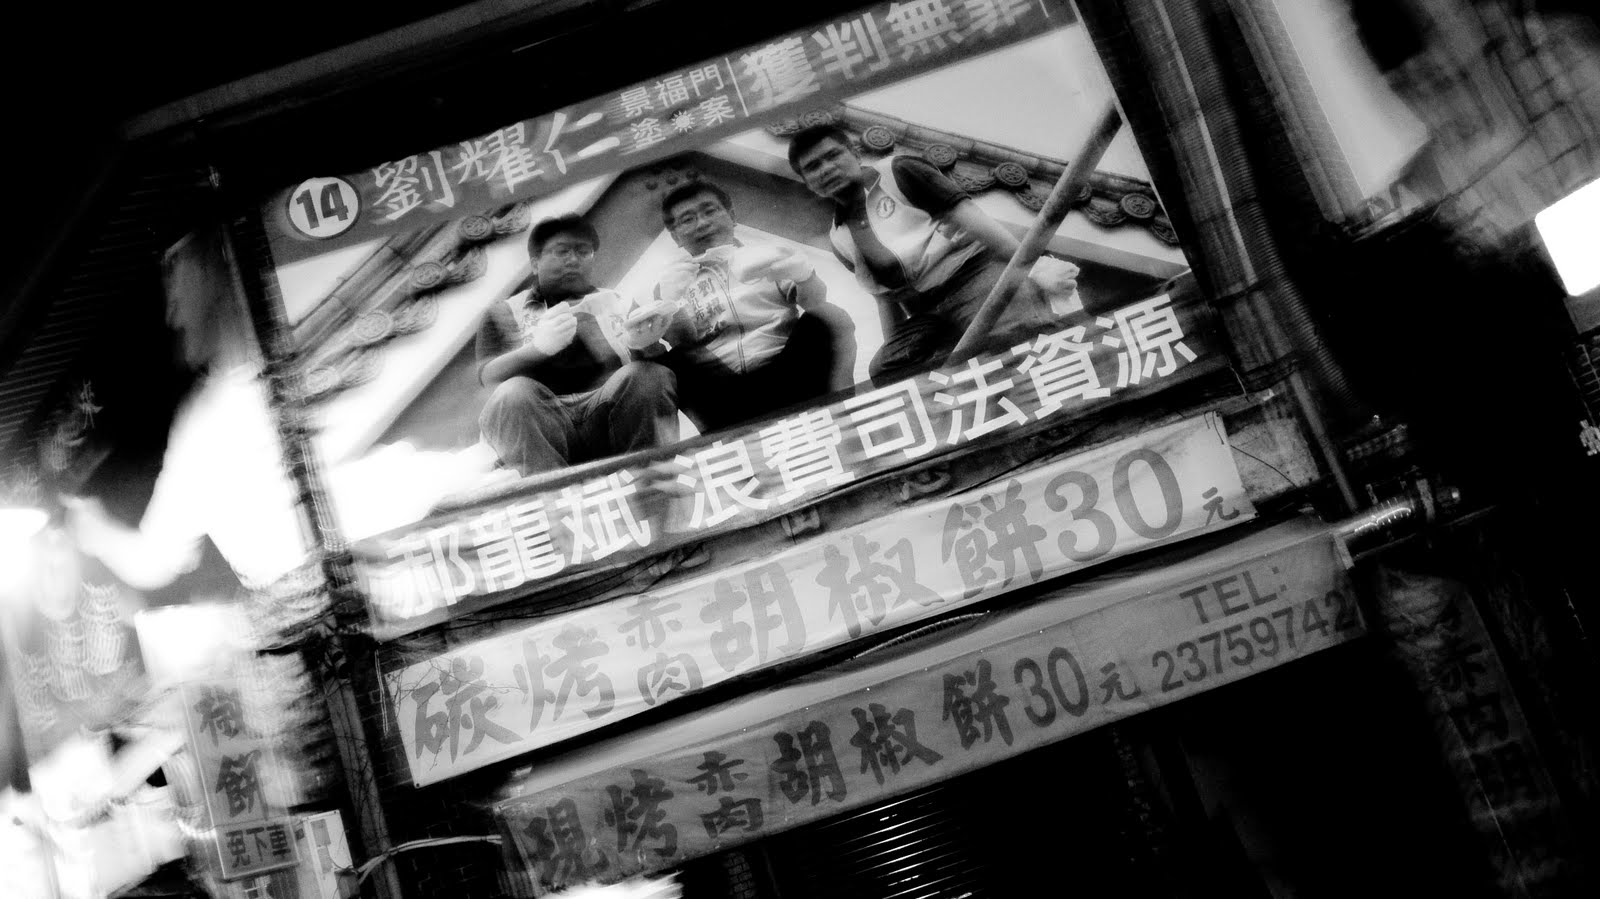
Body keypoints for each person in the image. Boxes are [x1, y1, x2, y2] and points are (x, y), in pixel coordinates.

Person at [788, 124, 1061, 383]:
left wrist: (1032, 266)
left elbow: (972, 218)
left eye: (833, 155)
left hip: (973, 273)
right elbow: (885, 298)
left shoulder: (897, 172)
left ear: (855, 153)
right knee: (887, 370)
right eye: (813, 167)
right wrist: (894, 347)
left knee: (1017, 338)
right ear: (808, 183)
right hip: (928, 310)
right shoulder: (839, 237)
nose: (826, 168)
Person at [630, 181, 857, 431]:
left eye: (710, 211)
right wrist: (669, 303)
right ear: (675, 236)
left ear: (732, 216)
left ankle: (844, 413)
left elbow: (814, 302)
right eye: (687, 220)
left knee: (829, 316)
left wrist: (804, 275)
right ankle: (721, 434)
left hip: (788, 371)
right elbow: (682, 343)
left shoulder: (767, 255)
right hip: (725, 392)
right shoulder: (670, 282)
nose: (702, 224)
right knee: (670, 363)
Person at [476, 214, 679, 476]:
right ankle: (552, 493)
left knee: (650, 375)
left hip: (607, 416)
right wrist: (537, 349)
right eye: (562, 252)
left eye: (583, 252)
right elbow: (488, 376)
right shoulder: (503, 312)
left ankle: (651, 482)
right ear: (535, 263)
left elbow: (649, 380)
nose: (573, 260)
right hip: (539, 425)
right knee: (511, 393)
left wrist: (646, 345)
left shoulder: (618, 301)